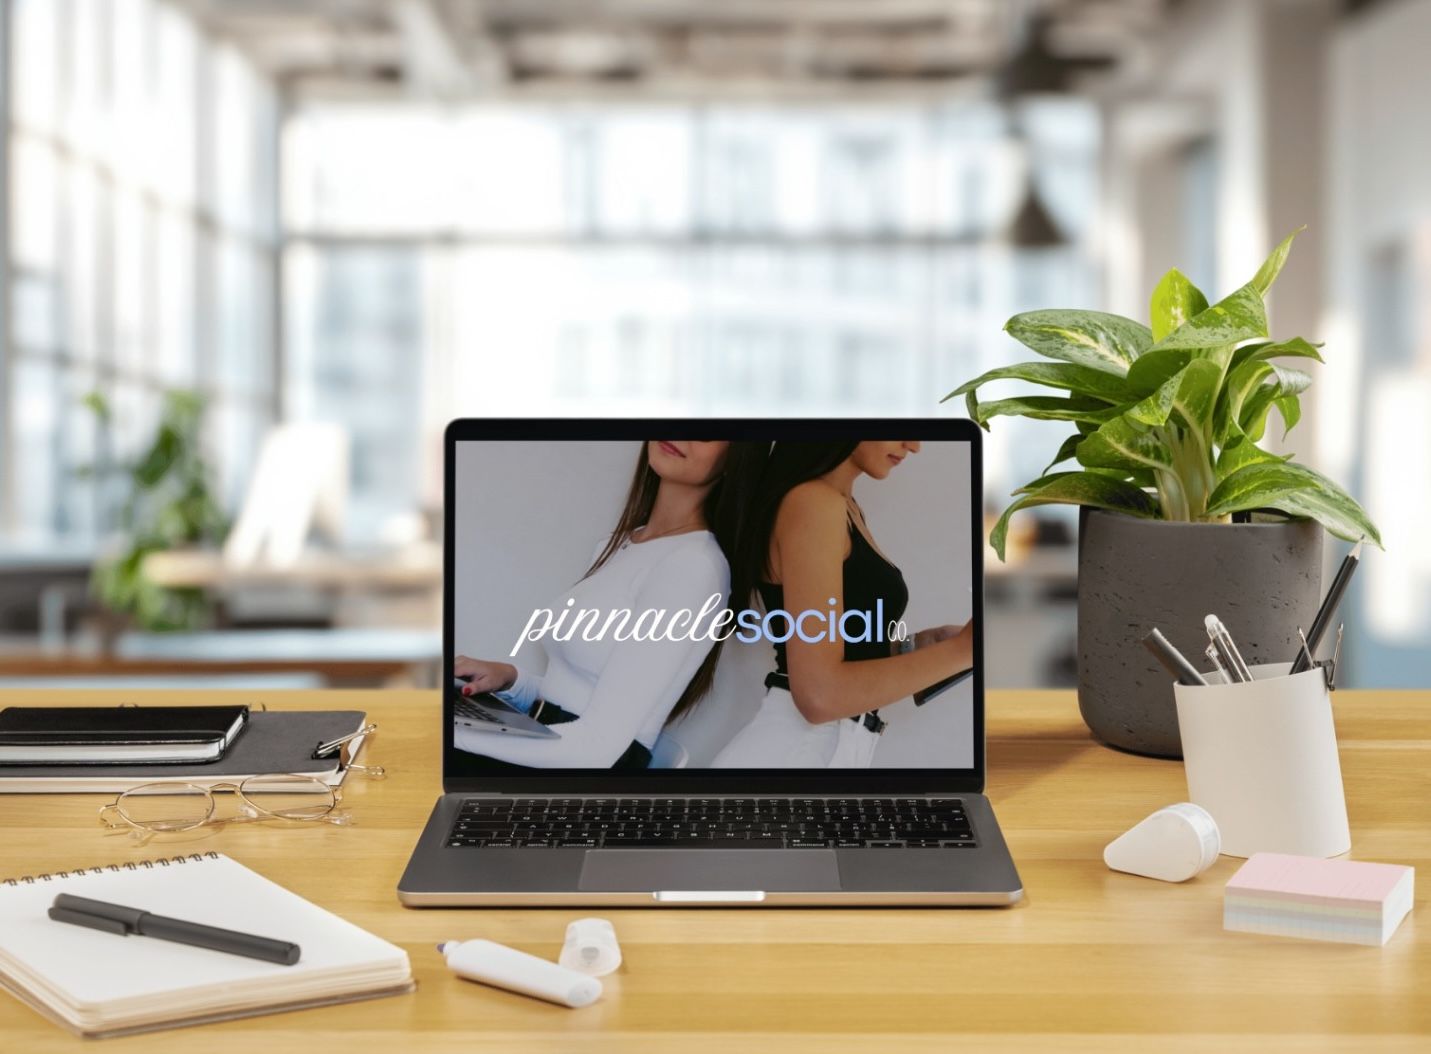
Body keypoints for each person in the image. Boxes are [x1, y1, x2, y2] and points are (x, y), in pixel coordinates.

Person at [453, 439, 767, 769]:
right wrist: (513, 680)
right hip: (548, 744)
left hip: (582, 778)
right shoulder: (619, 545)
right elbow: (578, 695)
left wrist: (454, 736)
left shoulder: (692, 566)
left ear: (737, 457)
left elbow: (600, 749)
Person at [711, 441, 974, 768]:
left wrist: (916, 649)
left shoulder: (843, 505)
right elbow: (819, 696)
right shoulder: (813, 503)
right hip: (793, 758)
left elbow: (843, 650)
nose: (914, 445)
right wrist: (963, 650)